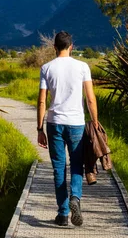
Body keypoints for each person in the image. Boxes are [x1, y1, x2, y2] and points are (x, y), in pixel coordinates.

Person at [37, 31, 98, 227]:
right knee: (77, 164)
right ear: (72, 46)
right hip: (76, 123)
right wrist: (95, 121)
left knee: (58, 168)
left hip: (54, 123)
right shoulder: (82, 67)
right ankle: (76, 198)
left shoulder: (46, 68)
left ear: (54, 47)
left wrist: (39, 128)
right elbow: (90, 98)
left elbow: (41, 101)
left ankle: (63, 215)